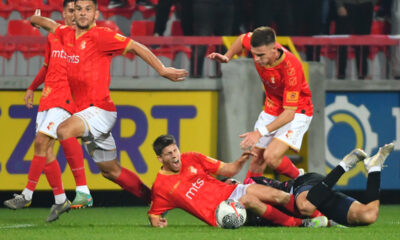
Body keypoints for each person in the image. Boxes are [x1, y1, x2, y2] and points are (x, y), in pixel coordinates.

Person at [29, 0, 188, 221]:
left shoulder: (102, 36)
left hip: (100, 111)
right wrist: (34, 20)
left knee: (63, 130)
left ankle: (83, 192)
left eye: (88, 9)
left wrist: (161, 69)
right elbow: (49, 24)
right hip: (85, 114)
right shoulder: (66, 33)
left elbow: (135, 46)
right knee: (110, 171)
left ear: (96, 13)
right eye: (79, 9)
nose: (83, 13)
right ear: (73, 14)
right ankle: (155, 200)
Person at [3, 0, 93, 222]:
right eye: (70, 11)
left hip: (65, 99)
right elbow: (46, 66)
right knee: (47, 150)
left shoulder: (81, 39)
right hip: (47, 98)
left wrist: (37, 20)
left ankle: (27, 194)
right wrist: (32, 87)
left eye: (78, 11)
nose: (74, 15)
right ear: (63, 13)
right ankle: (61, 200)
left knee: (41, 142)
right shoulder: (53, 38)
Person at [148, 134, 328, 228]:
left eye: (175, 150)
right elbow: (154, 213)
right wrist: (157, 222)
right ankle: (299, 224)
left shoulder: (192, 157)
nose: (175, 156)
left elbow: (227, 170)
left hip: (231, 192)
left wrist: (240, 162)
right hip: (219, 213)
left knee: (278, 195)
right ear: (160, 158)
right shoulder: (161, 187)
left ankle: (319, 216)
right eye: (169, 154)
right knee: (250, 200)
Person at [208, 26, 313, 180]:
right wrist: (227, 56)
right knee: (256, 159)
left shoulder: (291, 68)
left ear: (274, 50)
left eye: (261, 55)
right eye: (254, 54)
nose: (256, 59)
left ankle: (301, 178)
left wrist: (259, 132)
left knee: (271, 157)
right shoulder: (257, 45)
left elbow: (289, 113)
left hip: (297, 110)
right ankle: (249, 196)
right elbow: (242, 38)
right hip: (273, 106)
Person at [246, 143, 394, 226]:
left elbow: (259, 157)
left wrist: (261, 137)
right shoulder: (247, 217)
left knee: (306, 206)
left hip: (303, 185)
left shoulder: (248, 185)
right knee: (368, 215)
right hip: (318, 201)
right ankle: (375, 167)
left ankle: (344, 166)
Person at [334, 0, 377, 79]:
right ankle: (341, 74)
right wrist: (339, 5)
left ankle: (362, 74)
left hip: (366, 6)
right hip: (347, 5)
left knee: (363, 43)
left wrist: (371, 3)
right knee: (342, 41)